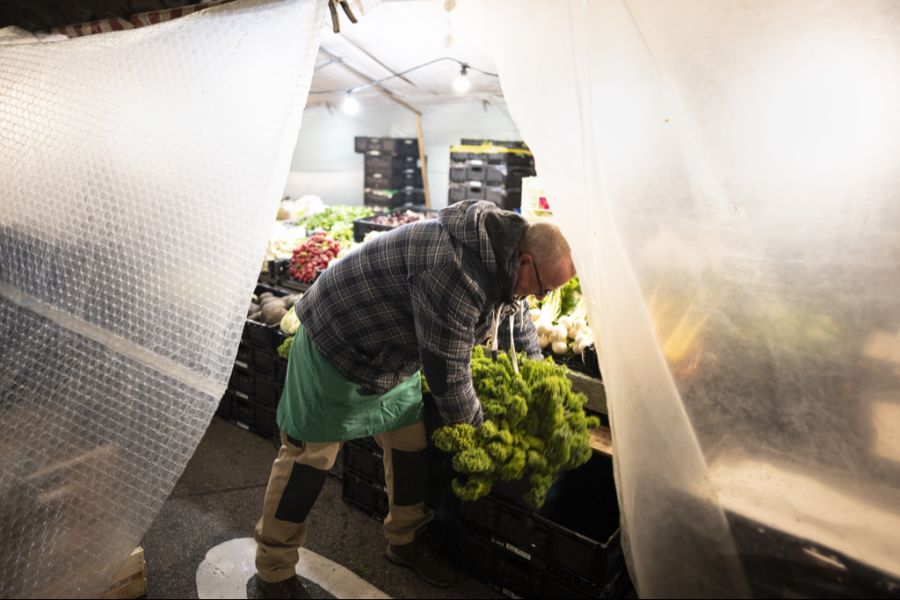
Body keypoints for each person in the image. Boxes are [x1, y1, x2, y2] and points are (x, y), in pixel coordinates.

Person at [252, 200, 575, 598]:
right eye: (544, 288)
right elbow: (449, 377)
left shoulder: (504, 258)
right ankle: (273, 569)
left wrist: (541, 381)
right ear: (526, 261)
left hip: (393, 354)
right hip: (336, 341)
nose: (540, 297)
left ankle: (404, 541)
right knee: (309, 458)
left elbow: (519, 320)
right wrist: (484, 440)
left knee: (410, 447)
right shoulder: (455, 271)